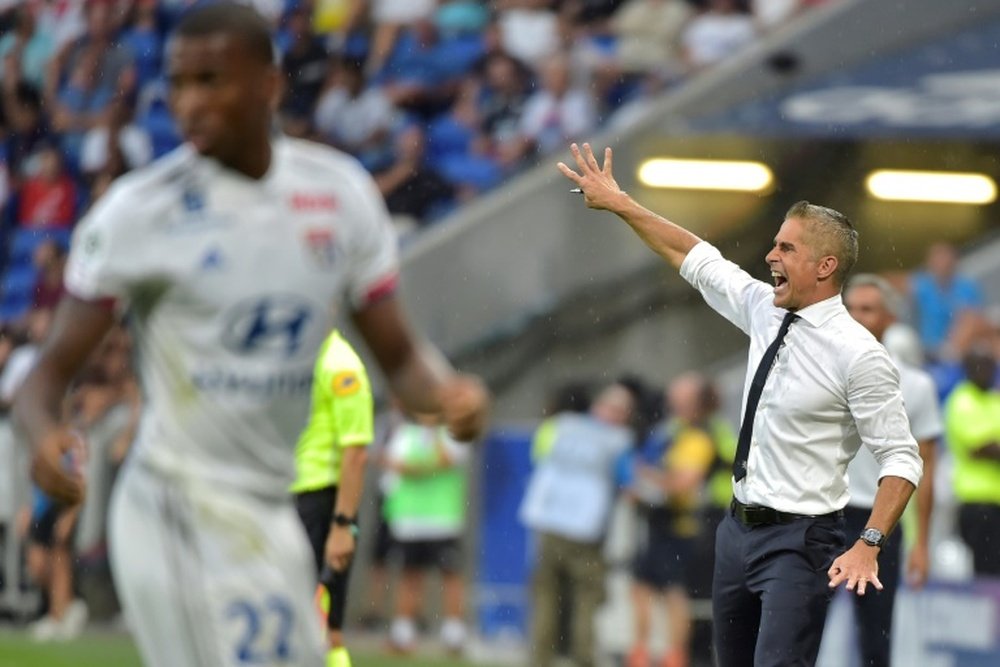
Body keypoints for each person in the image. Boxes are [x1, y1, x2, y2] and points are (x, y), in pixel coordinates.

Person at [12, 5, 489, 667]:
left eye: (212, 81)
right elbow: (46, 374)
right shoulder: (140, 213)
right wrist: (44, 440)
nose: (189, 103)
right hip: (175, 506)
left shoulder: (340, 196)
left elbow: (402, 356)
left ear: (269, 84)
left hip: (270, 514)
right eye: (178, 83)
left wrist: (451, 395)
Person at [558, 143, 922, 667]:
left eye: (787, 249)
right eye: (775, 244)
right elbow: (694, 255)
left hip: (802, 541)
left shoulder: (860, 355)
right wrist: (621, 204)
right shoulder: (764, 309)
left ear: (825, 266)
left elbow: (903, 459)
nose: (771, 256)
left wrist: (869, 541)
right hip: (736, 531)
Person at [840, 274, 941, 667]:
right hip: (825, 515)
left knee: (876, 638)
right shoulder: (823, 370)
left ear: (889, 318)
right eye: (850, 308)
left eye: (867, 309)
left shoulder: (915, 385)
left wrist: (921, 543)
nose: (856, 317)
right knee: (800, 629)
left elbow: (927, 467)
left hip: (882, 521)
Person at [519, 381, 637, 667]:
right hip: (586, 528)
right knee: (587, 599)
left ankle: (540, 659)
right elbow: (628, 483)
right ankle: (583, 659)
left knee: (546, 597)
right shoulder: (619, 440)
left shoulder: (560, 425)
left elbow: (538, 456)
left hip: (548, 520)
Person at [627, 372, 732, 667]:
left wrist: (648, 478)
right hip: (672, 523)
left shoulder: (700, 436)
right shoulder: (679, 431)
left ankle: (674, 655)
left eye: (681, 399)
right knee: (645, 587)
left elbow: (684, 482)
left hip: (689, 526)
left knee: (675, 592)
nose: (674, 404)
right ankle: (645, 652)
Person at [291, 329, 374, 667]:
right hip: (291, 501)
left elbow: (355, 452)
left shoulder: (341, 365)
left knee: (323, 629)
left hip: (321, 504)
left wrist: (342, 525)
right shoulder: (296, 358)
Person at [382, 411, 471, 655]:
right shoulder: (405, 434)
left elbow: (447, 460)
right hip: (409, 520)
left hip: (442, 520)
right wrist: (425, 466)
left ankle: (454, 636)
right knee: (410, 576)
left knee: (450, 576)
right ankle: (402, 635)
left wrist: (425, 454)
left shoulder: (452, 434)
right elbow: (394, 465)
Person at [943, 345, 1000, 577]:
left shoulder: (994, 399)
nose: (986, 371)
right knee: (986, 570)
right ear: (967, 369)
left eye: (990, 365)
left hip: (994, 500)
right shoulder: (962, 400)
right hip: (976, 500)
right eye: (981, 365)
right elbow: (982, 448)